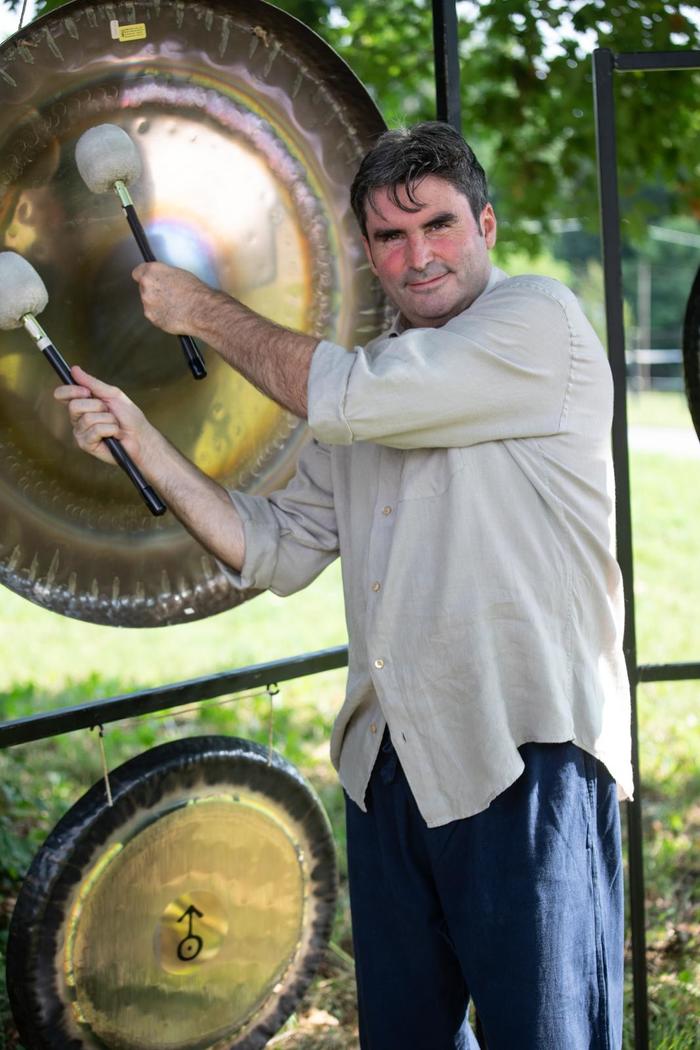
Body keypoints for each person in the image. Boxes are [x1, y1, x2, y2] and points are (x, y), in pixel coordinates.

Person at [56, 122, 633, 1050]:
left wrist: (201, 309)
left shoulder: (538, 322)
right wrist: (138, 439)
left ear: (485, 222)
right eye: (392, 238)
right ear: (368, 252)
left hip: (524, 754)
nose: (419, 256)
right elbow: (276, 545)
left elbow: (348, 394)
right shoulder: (378, 382)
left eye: (439, 225)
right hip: (390, 765)